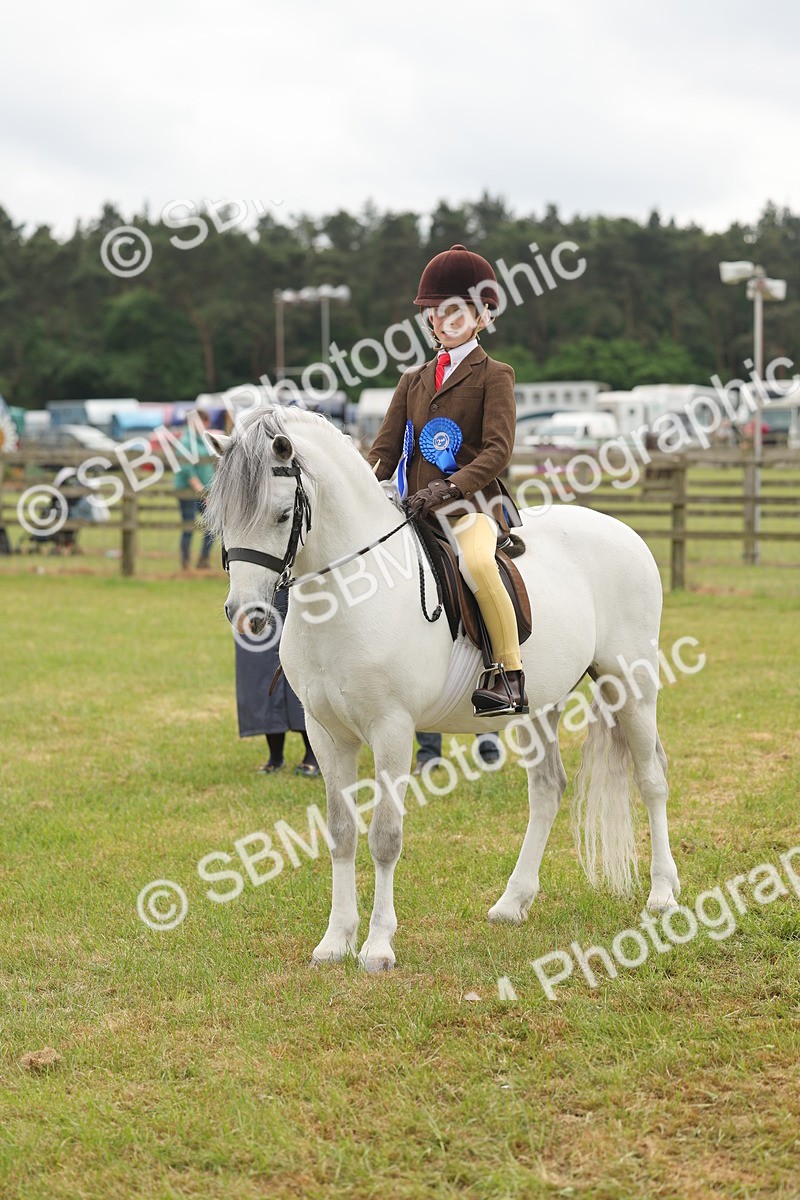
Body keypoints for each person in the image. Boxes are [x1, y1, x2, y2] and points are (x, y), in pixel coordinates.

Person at [367, 243, 528, 716]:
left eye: (455, 312)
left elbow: (498, 450)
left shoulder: (495, 375)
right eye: (436, 312)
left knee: (477, 565)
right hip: (411, 509)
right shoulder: (412, 379)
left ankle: (508, 673)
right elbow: (383, 451)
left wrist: (450, 486)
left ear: (481, 318)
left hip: (471, 508)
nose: (443, 321)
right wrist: (355, 484)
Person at [235, 587, 320, 777]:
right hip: (254, 586)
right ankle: (275, 756)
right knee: (258, 670)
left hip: (296, 586)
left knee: (302, 665)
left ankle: (313, 754)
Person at [174, 408, 215, 570]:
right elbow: (187, 469)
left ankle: (203, 560)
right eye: (205, 422)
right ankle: (185, 562)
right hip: (187, 491)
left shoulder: (203, 440)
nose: (207, 425)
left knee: (212, 525)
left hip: (204, 491)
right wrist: (202, 492)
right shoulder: (185, 442)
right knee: (189, 526)